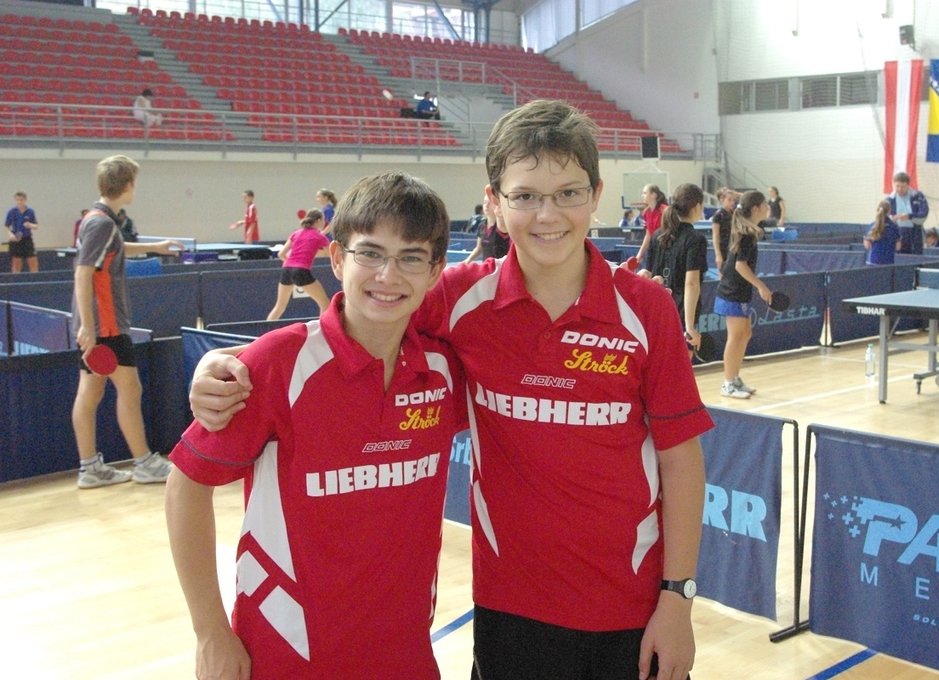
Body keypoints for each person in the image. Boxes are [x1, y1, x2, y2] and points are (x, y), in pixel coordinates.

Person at [189, 100, 712, 680]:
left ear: (596, 195)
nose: (548, 214)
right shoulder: (457, 298)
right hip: (510, 608)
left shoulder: (645, 308)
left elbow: (681, 460)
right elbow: (359, 320)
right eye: (525, 195)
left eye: (568, 193)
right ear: (494, 202)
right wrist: (227, 361)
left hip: (632, 608)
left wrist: (678, 597)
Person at [166, 171, 467, 679]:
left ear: (436, 270)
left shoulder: (443, 371)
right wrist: (210, 633)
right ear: (337, 258)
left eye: (411, 257)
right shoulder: (278, 364)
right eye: (370, 253)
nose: (388, 275)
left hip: (405, 652)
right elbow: (185, 487)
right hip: (287, 652)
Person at [72, 155, 182, 489]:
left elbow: (115, 249)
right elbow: (83, 274)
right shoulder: (102, 224)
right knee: (129, 389)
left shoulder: (100, 220)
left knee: (91, 392)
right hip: (105, 325)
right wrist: (89, 326)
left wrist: (155, 247)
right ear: (127, 184)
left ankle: (89, 468)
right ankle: (144, 462)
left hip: (99, 323)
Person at [714, 190, 772, 399]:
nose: (768, 208)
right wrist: (761, 287)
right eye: (765, 204)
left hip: (740, 290)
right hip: (732, 290)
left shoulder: (749, 230)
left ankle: (735, 378)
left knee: (745, 333)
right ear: (756, 208)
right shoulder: (746, 234)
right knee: (736, 336)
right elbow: (740, 266)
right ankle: (728, 384)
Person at [647, 183, 708, 355]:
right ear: (697, 207)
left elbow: (649, 275)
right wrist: (689, 326)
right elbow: (691, 284)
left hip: (656, 311)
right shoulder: (696, 239)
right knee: (679, 367)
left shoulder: (657, 235)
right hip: (679, 312)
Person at [266, 208, 331, 320]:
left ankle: (265, 330)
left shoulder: (296, 233)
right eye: (323, 220)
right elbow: (331, 254)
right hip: (301, 271)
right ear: (319, 220)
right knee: (325, 304)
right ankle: (323, 329)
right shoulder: (320, 237)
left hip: (286, 269)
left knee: (279, 307)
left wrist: (294, 263)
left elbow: (281, 254)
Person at [887, 171, 929, 255]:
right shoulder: (890, 200)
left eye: (903, 187)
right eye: (897, 186)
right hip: (897, 234)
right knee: (898, 259)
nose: (900, 189)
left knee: (915, 259)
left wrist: (909, 216)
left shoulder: (918, 196)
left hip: (915, 235)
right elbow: (884, 218)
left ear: (908, 185)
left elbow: (923, 215)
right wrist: (891, 219)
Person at [461, 196, 510, 263]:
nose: (486, 205)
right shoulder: (482, 226)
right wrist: (467, 260)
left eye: (489, 203)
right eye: (485, 202)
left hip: (501, 266)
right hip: (486, 266)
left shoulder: (502, 226)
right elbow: (479, 248)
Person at [633, 183, 669, 268]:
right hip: (653, 248)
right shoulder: (646, 212)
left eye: (645, 193)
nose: (642, 195)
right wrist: (640, 253)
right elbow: (648, 235)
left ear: (654, 195)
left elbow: (670, 230)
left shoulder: (665, 210)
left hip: (665, 248)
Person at [5, 191, 39, 273]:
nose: (19, 202)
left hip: (27, 239)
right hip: (16, 240)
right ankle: (16, 279)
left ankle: (35, 278)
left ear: (25, 200)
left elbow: (36, 226)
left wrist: (30, 225)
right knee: (16, 263)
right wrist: (10, 234)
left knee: (33, 261)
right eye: (17, 200)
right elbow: (7, 226)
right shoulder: (12, 211)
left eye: (21, 200)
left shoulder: (30, 211)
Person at [864, 199, 901, 265]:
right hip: (888, 261)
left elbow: (867, 246)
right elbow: (898, 247)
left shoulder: (871, 226)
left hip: (873, 260)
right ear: (889, 211)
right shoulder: (894, 227)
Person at [711, 187, 738, 271]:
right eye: (729, 200)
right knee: (724, 274)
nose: (732, 202)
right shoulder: (718, 215)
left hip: (733, 247)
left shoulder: (734, 213)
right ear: (722, 200)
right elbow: (715, 236)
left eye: (733, 200)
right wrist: (718, 255)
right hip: (723, 248)